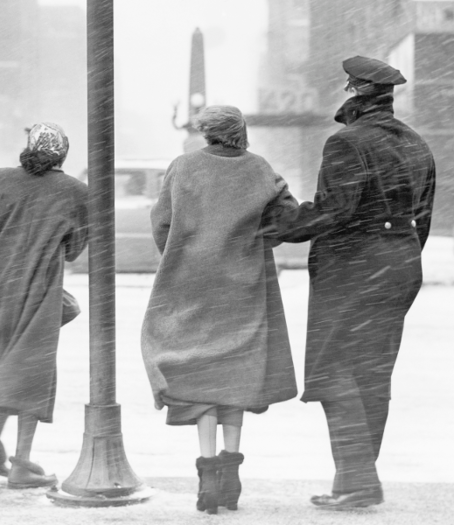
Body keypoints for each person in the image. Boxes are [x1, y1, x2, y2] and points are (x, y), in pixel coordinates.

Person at [271, 56, 436, 510]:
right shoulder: (418, 144)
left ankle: (358, 479)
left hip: (354, 266)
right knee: (373, 375)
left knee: (332, 370)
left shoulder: (346, 142)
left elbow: (334, 210)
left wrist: (278, 225)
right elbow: (422, 217)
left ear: (353, 93)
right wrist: (397, 254)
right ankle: (355, 478)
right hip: (399, 264)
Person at [141, 105, 299, 514]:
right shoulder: (259, 168)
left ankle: (207, 475)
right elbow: (287, 218)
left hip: (191, 283)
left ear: (207, 132)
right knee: (234, 372)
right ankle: (231, 474)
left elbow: (162, 224)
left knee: (201, 373)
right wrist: (254, 242)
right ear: (240, 132)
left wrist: (181, 256)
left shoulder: (183, 167)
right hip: (243, 286)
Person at [0, 122, 88, 489]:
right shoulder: (76, 192)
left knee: (3, 361)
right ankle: (21, 461)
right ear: (63, 154)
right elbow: (72, 252)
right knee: (30, 372)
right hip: (40, 290)